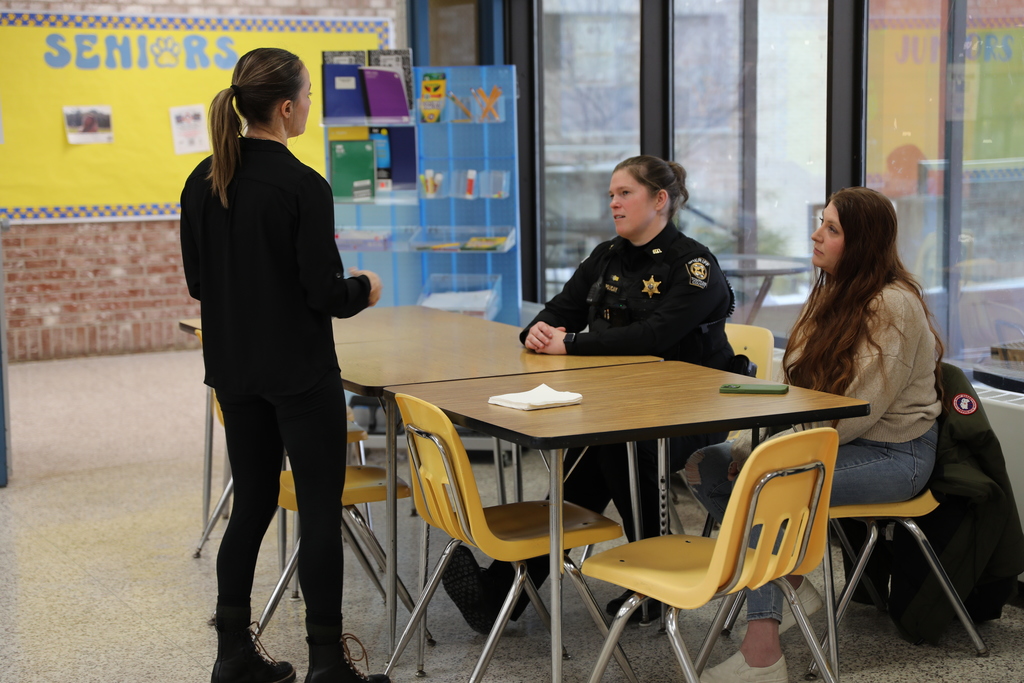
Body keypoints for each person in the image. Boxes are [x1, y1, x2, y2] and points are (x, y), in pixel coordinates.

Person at [440, 154, 737, 634]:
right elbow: (559, 310)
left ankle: (642, 584)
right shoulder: (607, 256)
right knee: (590, 454)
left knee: (611, 449)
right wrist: (538, 332)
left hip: (688, 413)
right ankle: (509, 592)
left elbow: (653, 336)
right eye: (611, 195)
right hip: (615, 406)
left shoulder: (694, 266)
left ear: (660, 200)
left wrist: (571, 343)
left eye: (625, 194)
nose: (614, 204)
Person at [179, 47, 389, 683]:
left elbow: (197, 283)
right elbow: (323, 294)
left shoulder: (202, 179)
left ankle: (233, 655)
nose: (310, 108)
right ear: (288, 107)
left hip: (235, 372)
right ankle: (328, 664)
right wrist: (365, 288)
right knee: (321, 510)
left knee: (253, 503)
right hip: (300, 374)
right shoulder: (303, 186)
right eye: (308, 97)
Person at [686, 186, 943, 683]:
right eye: (820, 222)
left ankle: (763, 653)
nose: (815, 234)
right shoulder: (829, 292)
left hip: (894, 453)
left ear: (862, 242)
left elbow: (854, 414)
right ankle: (787, 580)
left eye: (831, 228)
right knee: (706, 463)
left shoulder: (892, 304)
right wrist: (748, 445)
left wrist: (765, 452)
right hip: (830, 442)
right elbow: (791, 385)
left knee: (769, 482)